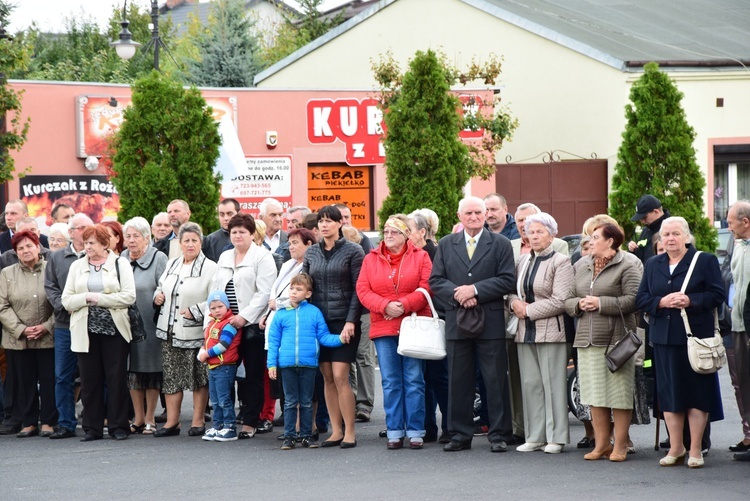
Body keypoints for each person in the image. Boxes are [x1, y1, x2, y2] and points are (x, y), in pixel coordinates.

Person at [636, 216, 724, 468]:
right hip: (663, 338)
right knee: (669, 394)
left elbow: (717, 294)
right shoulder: (653, 263)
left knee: (697, 394)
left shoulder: (704, 261)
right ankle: (676, 447)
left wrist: (690, 300)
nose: (670, 239)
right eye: (666, 235)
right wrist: (661, 302)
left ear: (686, 236)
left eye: (675, 234)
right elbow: (641, 298)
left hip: (695, 338)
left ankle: (695, 448)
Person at [430, 196, 516, 453]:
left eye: (479, 212)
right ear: (459, 216)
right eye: (469, 213)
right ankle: (460, 434)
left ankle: (500, 434)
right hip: (457, 319)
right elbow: (435, 281)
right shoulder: (446, 244)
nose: (475, 217)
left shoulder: (499, 244)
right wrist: (459, 293)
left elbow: (507, 280)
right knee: (459, 379)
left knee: (495, 379)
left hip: (489, 321)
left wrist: (475, 290)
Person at [565, 221, 642, 462]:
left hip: (617, 340)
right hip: (586, 340)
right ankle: (601, 445)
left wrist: (600, 303)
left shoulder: (627, 264)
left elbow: (633, 300)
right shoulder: (581, 265)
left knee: (619, 395)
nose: (590, 240)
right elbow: (567, 299)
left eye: (596, 236)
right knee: (595, 395)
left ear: (610, 241)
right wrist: (578, 305)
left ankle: (620, 445)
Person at [357, 215, 432, 449]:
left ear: (406, 235)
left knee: (414, 379)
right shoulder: (370, 259)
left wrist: (403, 305)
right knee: (390, 381)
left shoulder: (421, 256)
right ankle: (395, 430)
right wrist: (384, 306)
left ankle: (416, 430)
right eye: (386, 231)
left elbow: (427, 285)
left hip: (413, 324)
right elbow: (362, 289)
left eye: (394, 232)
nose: (388, 235)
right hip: (384, 325)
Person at [62, 224, 136, 441]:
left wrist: (100, 299)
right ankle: (92, 428)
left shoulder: (121, 264)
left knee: (116, 379)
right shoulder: (77, 266)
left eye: (92, 242)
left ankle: (119, 427)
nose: (88, 247)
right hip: (85, 331)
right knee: (89, 381)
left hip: (115, 330)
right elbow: (66, 300)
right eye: (85, 243)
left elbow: (129, 296)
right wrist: (86, 298)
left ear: (105, 244)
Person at [508, 212, 573, 453]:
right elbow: (511, 291)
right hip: (525, 331)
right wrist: (514, 304)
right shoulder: (522, 261)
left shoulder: (561, 262)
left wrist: (528, 311)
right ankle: (535, 436)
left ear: (552, 235)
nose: (533, 236)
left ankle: (556, 437)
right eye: (530, 231)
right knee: (530, 383)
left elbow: (561, 300)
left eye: (539, 232)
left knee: (553, 384)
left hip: (552, 331)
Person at [303, 205, 364, 448]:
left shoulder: (354, 251)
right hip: (318, 321)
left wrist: (351, 321)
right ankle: (335, 430)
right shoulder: (311, 253)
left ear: (340, 224)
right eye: (321, 221)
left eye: (330, 220)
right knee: (326, 376)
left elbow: (358, 290)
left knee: (340, 376)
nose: (324, 225)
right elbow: (305, 284)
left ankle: (350, 431)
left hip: (344, 321)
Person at [212, 213, 277, 439]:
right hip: (227, 325)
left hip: (251, 327)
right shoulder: (224, 257)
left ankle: (251, 421)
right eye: (234, 232)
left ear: (252, 234)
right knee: (224, 373)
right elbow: (216, 292)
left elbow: (265, 292)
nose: (237, 235)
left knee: (253, 376)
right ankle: (226, 421)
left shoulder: (262, 257)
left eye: (242, 231)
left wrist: (244, 316)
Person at [268, 273, 348, 450]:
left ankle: (306, 435)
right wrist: (271, 364)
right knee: (289, 402)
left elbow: (323, 337)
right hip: (287, 364)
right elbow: (273, 341)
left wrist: (341, 339)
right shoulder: (281, 314)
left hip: (309, 365)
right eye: (292, 288)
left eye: (299, 289)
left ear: (308, 293)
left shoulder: (314, 313)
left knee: (305, 401)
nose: (294, 292)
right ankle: (289, 436)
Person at [153, 222, 217, 437]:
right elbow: (160, 287)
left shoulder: (211, 268)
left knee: (199, 378)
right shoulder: (172, 264)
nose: (190, 244)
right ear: (179, 243)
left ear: (201, 243)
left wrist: (196, 311)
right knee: (171, 378)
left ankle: (198, 421)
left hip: (195, 331)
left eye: (194, 241)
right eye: (186, 240)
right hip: (169, 331)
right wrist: (157, 296)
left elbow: (216, 299)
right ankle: (172, 422)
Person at [0, 230, 56, 438]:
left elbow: (60, 302)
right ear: (15, 252)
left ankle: (49, 421)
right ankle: (29, 421)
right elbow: (2, 306)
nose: (25, 250)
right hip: (18, 338)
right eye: (20, 248)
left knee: (49, 379)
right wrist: (21, 330)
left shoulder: (51, 269)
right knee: (24, 381)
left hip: (47, 335)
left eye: (29, 246)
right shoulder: (7, 273)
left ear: (38, 247)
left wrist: (47, 326)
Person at [43, 213, 94, 439]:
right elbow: (50, 286)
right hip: (64, 324)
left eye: (87, 228)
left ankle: (94, 420)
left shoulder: (96, 255)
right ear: (71, 232)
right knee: (62, 375)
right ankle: (66, 422)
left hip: (91, 322)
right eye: (79, 228)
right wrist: (64, 306)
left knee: (92, 374)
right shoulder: (57, 257)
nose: (83, 232)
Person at [121, 217, 168, 435]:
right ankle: (138, 418)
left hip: (149, 322)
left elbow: (164, 285)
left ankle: (150, 418)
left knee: (150, 371)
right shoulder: (121, 258)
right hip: (126, 324)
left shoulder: (159, 258)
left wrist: (159, 294)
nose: (131, 241)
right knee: (132, 371)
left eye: (136, 236)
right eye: (128, 236)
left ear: (147, 238)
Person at [408, 210, 449, 443]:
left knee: (439, 377)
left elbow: (436, 286)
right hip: (415, 321)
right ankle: (427, 426)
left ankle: (448, 427)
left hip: (434, 320)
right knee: (419, 377)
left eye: (409, 231)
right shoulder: (408, 254)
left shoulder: (434, 253)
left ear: (422, 232)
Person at [334, 203, 375, 424]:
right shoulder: (329, 245)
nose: (345, 220)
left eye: (347, 216)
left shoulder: (362, 241)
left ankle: (364, 404)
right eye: (340, 217)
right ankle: (347, 400)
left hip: (364, 310)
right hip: (341, 311)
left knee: (364, 356)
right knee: (344, 358)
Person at [198, 291, 242, 442]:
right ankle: (218, 425)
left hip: (225, 366)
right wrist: (202, 350)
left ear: (227, 306)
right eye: (213, 308)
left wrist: (206, 354)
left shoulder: (229, 324)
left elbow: (224, 345)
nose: (216, 310)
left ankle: (229, 427)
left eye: (220, 306)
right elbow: (207, 340)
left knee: (224, 398)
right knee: (215, 399)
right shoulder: (212, 323)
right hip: (213, 366)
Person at [727, 201, 750, 462]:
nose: (728, 226)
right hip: (737, 325)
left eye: (731, 221)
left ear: (745, 222)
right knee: (742, 383)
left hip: (748, 323)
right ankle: (748, 435)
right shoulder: (737, 245)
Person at [627, 194, 670, 264]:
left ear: (656, 212)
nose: (642, 221)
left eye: (644, 217)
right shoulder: (646, 230)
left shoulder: (673, 228)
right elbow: (640, 258)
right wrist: (633, 250)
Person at [202, 198, 240, 263]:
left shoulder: (249, 237)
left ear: (238, 214)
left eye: (230, 214)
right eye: (222, 214)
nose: (226, 218)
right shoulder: (210, 240)